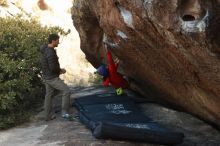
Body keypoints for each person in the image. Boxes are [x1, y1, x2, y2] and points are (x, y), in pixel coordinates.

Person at [40, 33, 71, 121]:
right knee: (66, 91)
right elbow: (53, 68)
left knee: (49, 95)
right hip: (52, 77)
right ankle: (65, 112)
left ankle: (47, 116)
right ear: (53, 41)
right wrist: (61, 70)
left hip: (46, 76)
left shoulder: (45, 49)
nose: (59, 42)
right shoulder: (50, 52)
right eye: (57, 40)